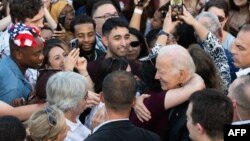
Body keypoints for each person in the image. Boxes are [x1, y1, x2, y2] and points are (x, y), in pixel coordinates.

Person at [85, 70, 161, 141]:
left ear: (101, 97)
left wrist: (93, 133)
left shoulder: (94, 138)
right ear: (134, 101)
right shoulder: (152, 138)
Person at [0, 23, 44, 105]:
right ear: (18, 54)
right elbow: (8, 117)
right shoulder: (14, 89)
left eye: (42, 51)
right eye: (36, 54)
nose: (42, 57)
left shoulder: (7, 62)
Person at [46, 71, 91, 140]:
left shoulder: (73, 115)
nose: (88, 99)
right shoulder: (63, 135)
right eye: (85, 96)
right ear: (71, 103)